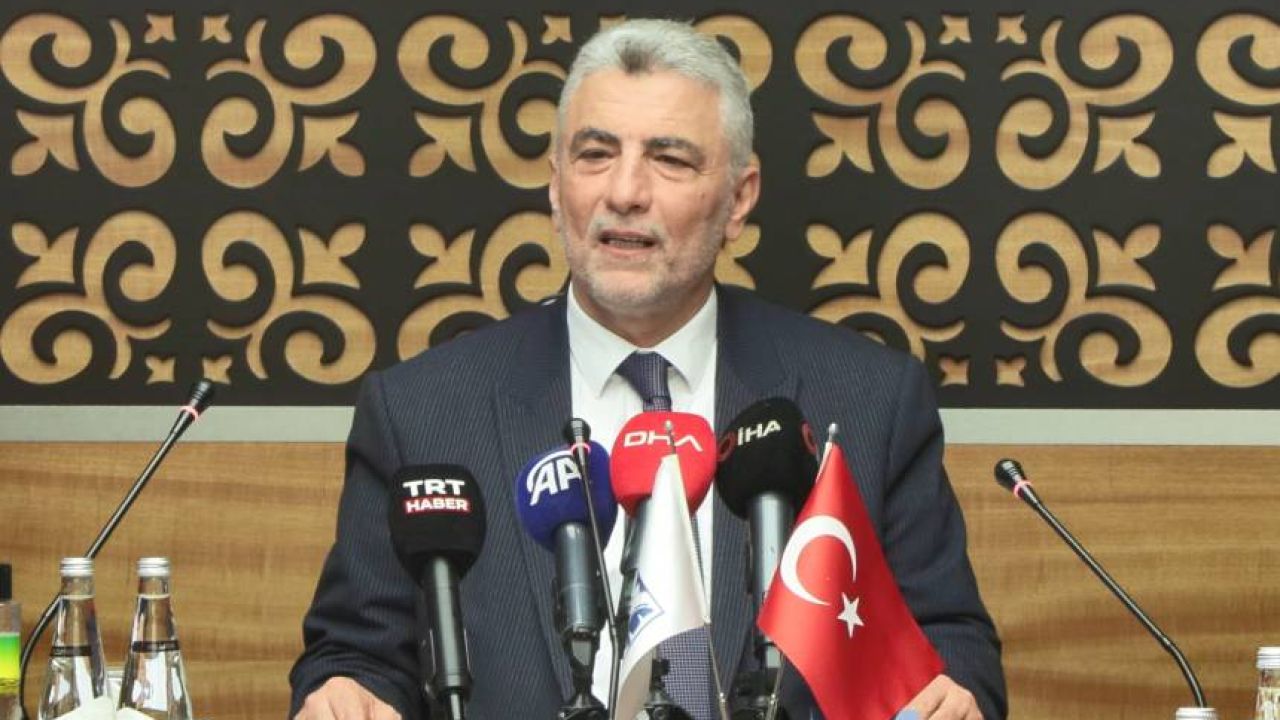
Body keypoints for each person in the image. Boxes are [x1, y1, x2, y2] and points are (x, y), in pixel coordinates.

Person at [290, 18, 1006, 720]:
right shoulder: (423, 413)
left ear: (739, 199)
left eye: (670, 160)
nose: (625, 192)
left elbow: (950, 646)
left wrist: (953, 695)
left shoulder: (870, 401)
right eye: (595, 154)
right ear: (556, 186)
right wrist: (347, 694)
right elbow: (357, 653)